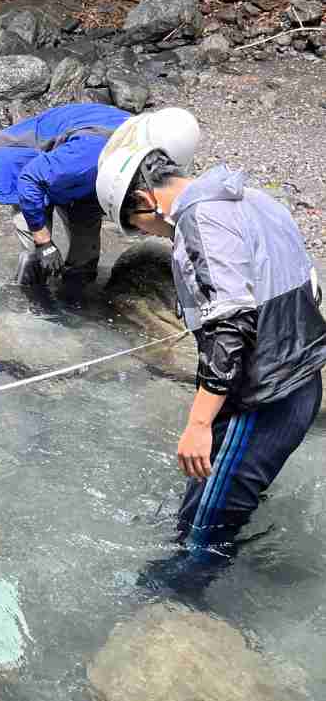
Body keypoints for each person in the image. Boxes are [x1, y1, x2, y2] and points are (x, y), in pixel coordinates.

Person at [96, 119, 326, 565]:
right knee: (213, 502)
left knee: (202, 535)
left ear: (146, 201)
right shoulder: (255, 200)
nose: (147, 234)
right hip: (301, 382)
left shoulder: (199, 220)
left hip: (262, 398)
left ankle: (174, 612)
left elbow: (230, 327)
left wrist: (199, 425)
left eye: (138, 225)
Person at [0, 103, 198, 287]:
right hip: (29, 161)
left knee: (86, 255)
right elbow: (30, 179)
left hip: (83, 174)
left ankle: (74, 302)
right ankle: (30, 312)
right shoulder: (87, 157)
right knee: (36, 255)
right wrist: (44, 242)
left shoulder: (158, 146)